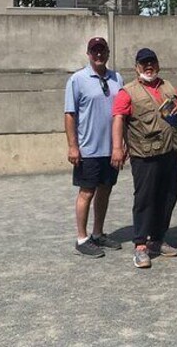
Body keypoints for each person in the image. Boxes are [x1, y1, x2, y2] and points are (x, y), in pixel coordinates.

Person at [111, 48, 177, 269]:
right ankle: (141, 245)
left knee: (168, 196)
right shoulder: (128, 92)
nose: (148, 67)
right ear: (136, 67)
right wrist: (117, 147)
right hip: (144, 154)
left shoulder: (168, 86)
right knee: (145, 198)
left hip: (170, 150)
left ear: (158, 65)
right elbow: (118, 119)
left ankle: (157, 239)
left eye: (152, 62)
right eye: (144, 64)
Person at [65, 37, 125, 258]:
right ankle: (82, 238)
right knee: (87, 192)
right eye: (94, 51)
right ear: (89, 54)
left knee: (105, 191)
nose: (99, 55)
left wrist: (122, 143)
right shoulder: (77, 80)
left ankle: (98, 233)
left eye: (102, 51)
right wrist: (73, 146)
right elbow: (70, 115)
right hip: (88, 148)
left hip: (111, 149)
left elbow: (122, 113)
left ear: (108, 53)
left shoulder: (117, 78)